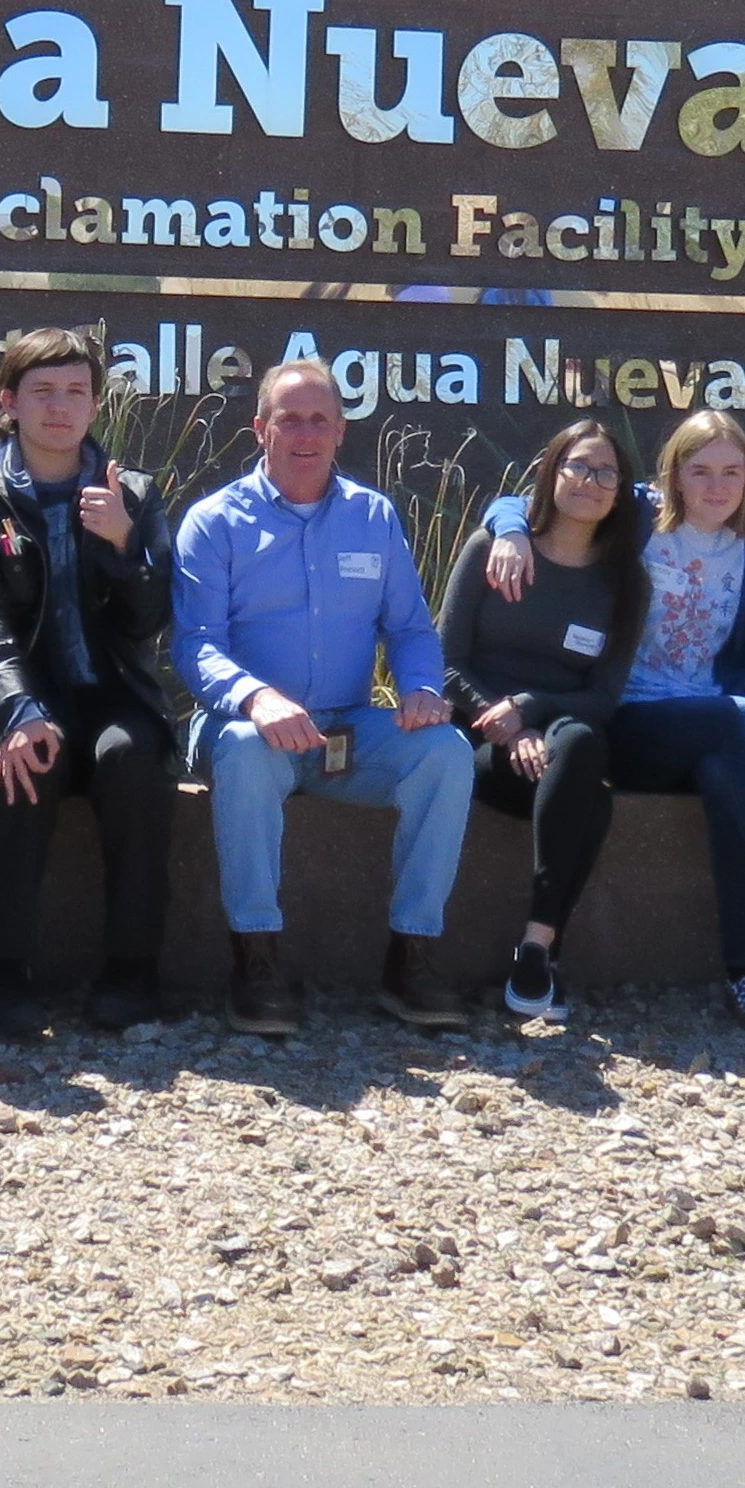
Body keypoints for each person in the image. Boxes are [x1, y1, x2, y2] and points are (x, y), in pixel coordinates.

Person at [481, 409, 745, 1024]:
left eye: (731, 471)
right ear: (674, 476)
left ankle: (744, 970)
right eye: (700, 471)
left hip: (712, 724)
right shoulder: (639, 518)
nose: (716, 487)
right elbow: (521, 501)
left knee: (728, 770)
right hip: (631, 720)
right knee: (737, 721)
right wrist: (508, 531)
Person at [175, 358, 470, 1033]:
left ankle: (413, 955)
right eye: (289, 419)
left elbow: (410, 629)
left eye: (319, 420)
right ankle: (256, 959)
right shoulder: (215, 521)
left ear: (340, 430)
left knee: (446, 753)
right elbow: (194, 643)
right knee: (249, 751)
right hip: (242, 728)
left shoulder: (373, 517)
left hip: (347, 729)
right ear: (261, 429)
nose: (304, 434)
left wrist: (422, 688)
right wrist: (255, 699)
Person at [0, 327, 180, 1039]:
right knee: (27, 767)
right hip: (17, 690)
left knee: (132, 761)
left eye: (77, 391)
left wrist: (124, 543)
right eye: (42, 392)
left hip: (112, 694)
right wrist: (17, 707)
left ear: (96, 404)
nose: (60, 407)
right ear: (8, 402)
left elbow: (150, 619)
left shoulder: (132, 492)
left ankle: (132, 975)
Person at [444, 420, 645, 1024]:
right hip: (479, 739)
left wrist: (530, 710)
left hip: (558, 738)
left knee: (581, 742)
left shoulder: (626, 584)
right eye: (578, 466)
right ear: (550, 472)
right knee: (595, 806)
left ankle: (534, 947)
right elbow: (444, 663)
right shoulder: (493, 550)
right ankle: (542, 958)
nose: (590, 481)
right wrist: (502, 721)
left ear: (619, 493)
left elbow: (603, 696)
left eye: (606, 472)